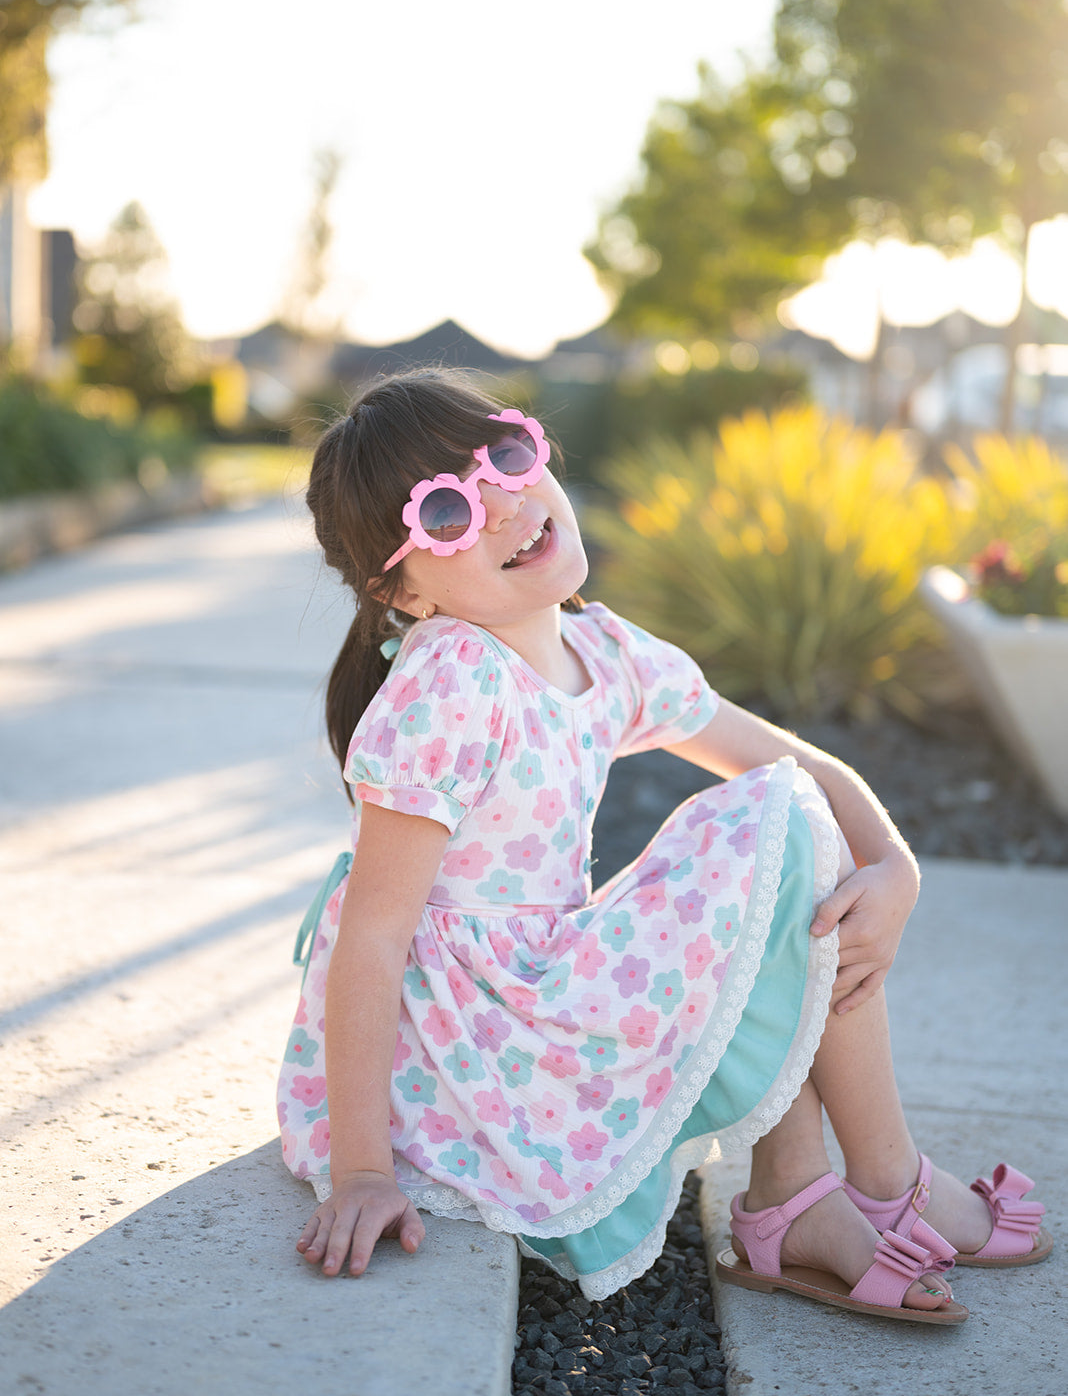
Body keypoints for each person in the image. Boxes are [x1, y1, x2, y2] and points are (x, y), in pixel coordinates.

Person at [278, 367, 1050, 1324]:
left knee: (791, 822)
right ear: (401, 588)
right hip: (469, 1047)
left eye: (506, 457)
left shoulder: (598, 650)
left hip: (536, 985)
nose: (504, 507)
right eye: (445, 514)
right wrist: (360, 1168)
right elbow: (372, 936)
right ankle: (880, 1181)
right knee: (781, 827)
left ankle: (798, 1196)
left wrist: (896, 865)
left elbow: (788, 757)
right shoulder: (451, 684)